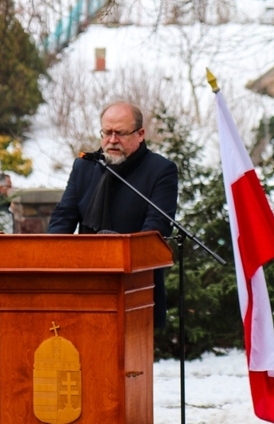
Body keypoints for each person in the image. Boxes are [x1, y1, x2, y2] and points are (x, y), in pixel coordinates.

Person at [48, 101, 178, 327]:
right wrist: (49, 253)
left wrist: (117, 252)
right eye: (107, 133)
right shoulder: (85, 166)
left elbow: (156, 228)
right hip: (85, 284)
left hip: (136, 289)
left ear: (140, 134)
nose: (112, 140)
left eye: (120, 133)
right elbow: (64, 216)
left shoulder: (160, 170)